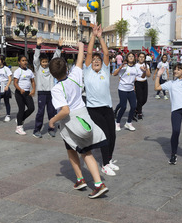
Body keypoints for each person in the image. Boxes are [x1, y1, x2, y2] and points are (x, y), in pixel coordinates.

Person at [49, 42, 109, 198]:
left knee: (85, 151)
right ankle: (80, 179)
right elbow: (80, 60)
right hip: (83, 114)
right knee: (70, 148)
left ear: (52, 74)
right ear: (66, 69)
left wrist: (52, 120)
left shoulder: (56, 89)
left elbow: (65, 110)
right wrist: (81, 46)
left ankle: (98, 184)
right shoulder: (75, 76)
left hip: (71, 122)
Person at [83, 24, 119, 176]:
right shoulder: (87, 71)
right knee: (104, 135)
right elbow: (90, 52)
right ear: (90, 63)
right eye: (94, 60)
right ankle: (104, 165)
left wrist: (100, 37)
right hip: (94, 109)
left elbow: (105, 53)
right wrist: (92, 36)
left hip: (107, 107)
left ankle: (109, 159)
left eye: (98, 60)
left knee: (112, 134)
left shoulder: (105, 69)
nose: (96, 61)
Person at [154, 60, 182, 164]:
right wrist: (158, 75)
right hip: (176, 111)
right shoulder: (170, 83)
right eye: (175, 69)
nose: (175, 70)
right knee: (175, 131)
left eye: (178, 69)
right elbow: (156, 87)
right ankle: (173, 154)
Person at [32, 37, 63, 138]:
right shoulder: (37, 68)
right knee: (40, 112)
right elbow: (35, 58)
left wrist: (59, 47)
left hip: (50, 93)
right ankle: (36, 130)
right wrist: (38, 46)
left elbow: (55, 58)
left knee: (51, 112)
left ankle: (52, 128)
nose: (44, 64)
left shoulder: (50, 68)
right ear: (40, 62)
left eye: (46, 62)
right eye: (43, 62)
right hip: (41, 93)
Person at [113, 52, 147, 132]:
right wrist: (120, 67)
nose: (131, 57)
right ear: (127, 58)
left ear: (134, 58)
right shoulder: (124, 66)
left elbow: (142, 76)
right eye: (129, 56)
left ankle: (129, 122)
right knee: (123, 106)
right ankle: (117, 122)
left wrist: (144, 72)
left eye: (132, 56)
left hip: (131, 89)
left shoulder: (136, 67)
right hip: (122, 89)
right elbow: (114, 74)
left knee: (134, 106)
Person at [13, 55, 36, 135]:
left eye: (25, 60)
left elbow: (33, 81)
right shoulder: (18, 71)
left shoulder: (29, 71)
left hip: (27, 93)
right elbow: (15, 83)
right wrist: (20, 89)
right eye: (23, 60)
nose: (25, 62)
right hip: (19, 93)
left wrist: (33, 90)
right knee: (21, 109)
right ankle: (19, 127)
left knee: (31, 108)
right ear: (19, 62)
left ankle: (20, 118)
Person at [134, 52, 151, 120]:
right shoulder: (135, 66)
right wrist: (133, 85)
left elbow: (148, 75)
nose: (141, 58)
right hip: (137, 83)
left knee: (144, 99)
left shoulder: (146, 65)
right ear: (138, 58)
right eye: (140, 57)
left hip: (144, 82)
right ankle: (139, 113)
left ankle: (136, 110)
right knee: (139, 99)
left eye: (143, 57)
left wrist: (145, 70)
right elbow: (134, 76)